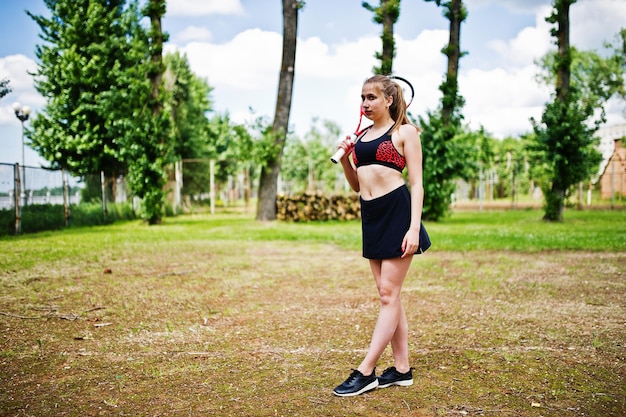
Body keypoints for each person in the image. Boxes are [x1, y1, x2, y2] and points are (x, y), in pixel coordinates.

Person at [332, 75, 424, 397]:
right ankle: (401, 370)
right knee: (390, 297)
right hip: (371, 215)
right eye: (362, 98)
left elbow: (417, 184)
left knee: (388, 295)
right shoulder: (362, 137)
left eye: (371, 97)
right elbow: (358, 184)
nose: (365, 103)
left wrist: (413, 228)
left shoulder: (405, 133)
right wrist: (346, 159)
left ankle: (366, 371)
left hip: (398, 214)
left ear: (389, 99)